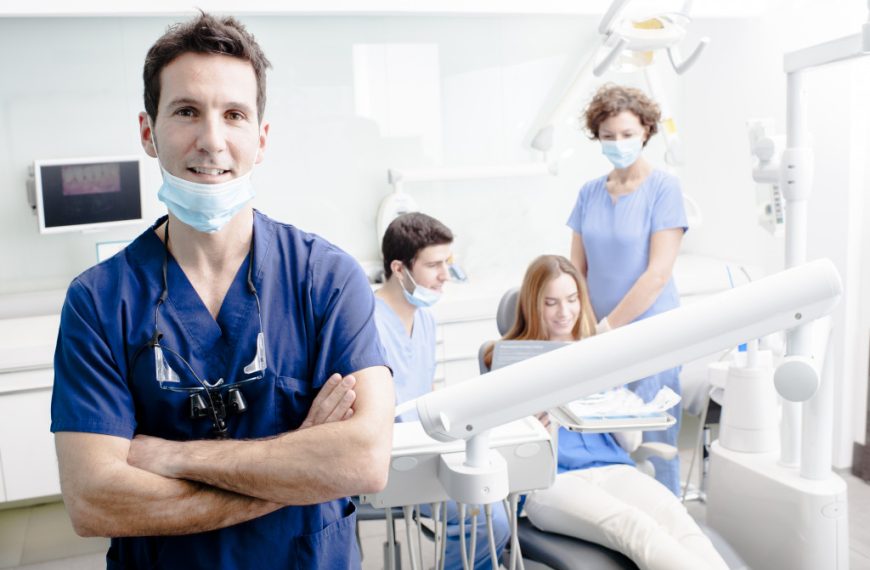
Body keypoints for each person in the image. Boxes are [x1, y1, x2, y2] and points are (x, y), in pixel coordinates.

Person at [49, 13, 394, 569]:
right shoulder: (98, 301)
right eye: (187, 111)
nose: (212, 140)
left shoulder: (326, 279)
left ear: (260, 138)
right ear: (148, 131)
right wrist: (300, 468)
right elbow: (94, 500)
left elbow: (365, 460)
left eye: (234, 115)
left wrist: (172, 457)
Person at [485, 255, 727, 570]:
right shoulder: (506, 363)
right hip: (552, 482)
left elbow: (629, 444)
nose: (565, 312)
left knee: (677, 519)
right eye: (551, 302)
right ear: (533, 304)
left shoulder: (596, 354)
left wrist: (622, 402)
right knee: (635, 527)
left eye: (572, 300)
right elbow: (494, 447)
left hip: (615, 469)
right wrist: (531, 429)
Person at [567, 84, 688, 495]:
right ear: (596, 138)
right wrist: (583, 327)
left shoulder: (664, 189)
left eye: (626, 134)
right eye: (608, 136)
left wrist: (609, 326)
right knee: (607, 438)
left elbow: (657, 274)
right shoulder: (589, 193)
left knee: (652, 444)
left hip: (652, 334)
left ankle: (668, 529)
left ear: (646, 131)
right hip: (600, 335)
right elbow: (576, 272)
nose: (618, 143)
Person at [374, 212, 510, 569]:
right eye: (434, 265)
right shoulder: (367, 323)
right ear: (399, 268)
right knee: (486, 516)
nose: (444, 276)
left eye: (446, 264)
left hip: (424, 446)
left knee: (502, 492)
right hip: (389, 459)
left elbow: (427, 392)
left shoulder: (425, 318)